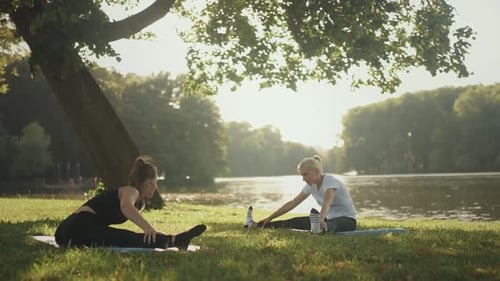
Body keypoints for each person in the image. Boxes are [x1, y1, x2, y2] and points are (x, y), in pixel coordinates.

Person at [55, 155, 206, 249]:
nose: (156, 186)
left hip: (65, 233)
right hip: (77, 227)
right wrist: (148, 228)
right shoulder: (131, 191)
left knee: (127, 237)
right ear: (147, 182)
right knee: (125, 238)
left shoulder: (138, 200)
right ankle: (177, 240)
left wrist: (157, 233)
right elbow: (126, 207)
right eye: (155, 181)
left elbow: (138, 220)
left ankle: (175, 240)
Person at [245, 155, 356, 234]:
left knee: (332, 224)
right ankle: (254, 225)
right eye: (302, 175)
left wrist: (320, 219)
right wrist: (269, 218)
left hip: (347, 220)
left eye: (306, 174)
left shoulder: (330, 181)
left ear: (317, 171)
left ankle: (319, 228)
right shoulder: (310, 185)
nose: (303, 179)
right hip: (325, 219)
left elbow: (327, 203)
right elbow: (292, 203)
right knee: (292, 222)